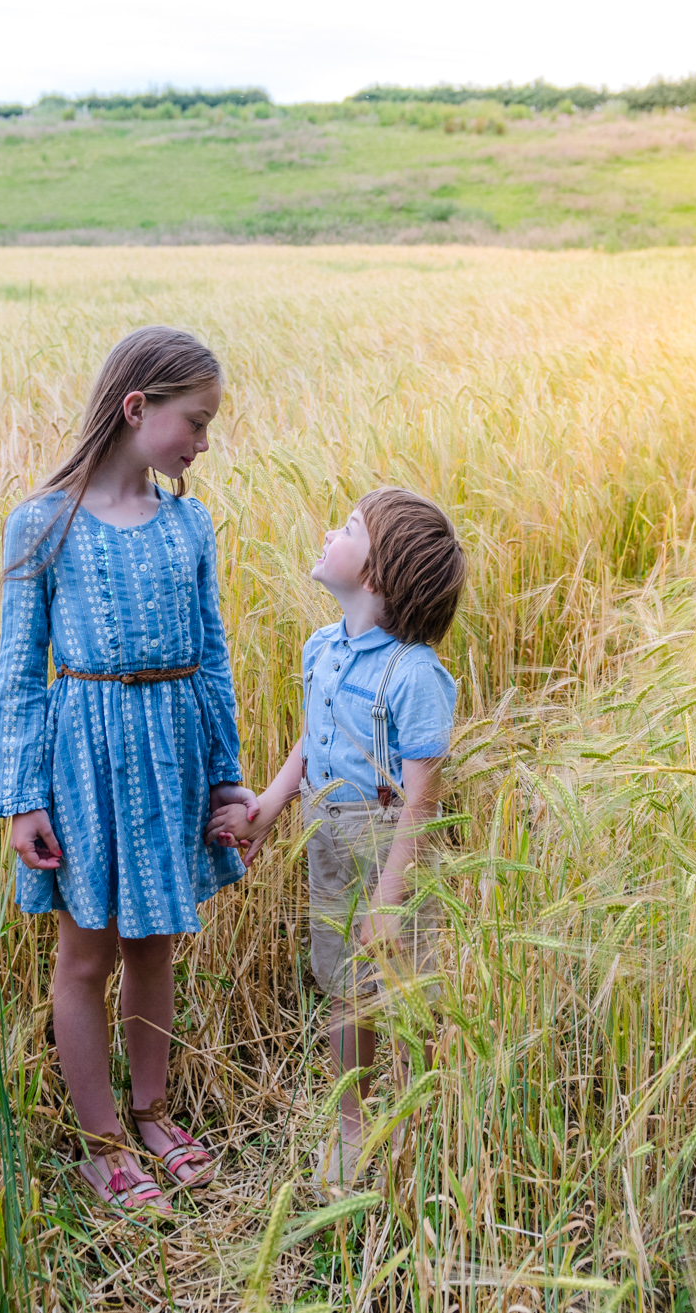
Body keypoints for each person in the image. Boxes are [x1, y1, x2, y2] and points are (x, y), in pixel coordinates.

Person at [0, 326, 255, 1217]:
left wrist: (226, 774)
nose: (204, 443)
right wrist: (22, 795)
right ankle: (102, 1141)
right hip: (85, 758)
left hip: (172, 751)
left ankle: (153, 1111)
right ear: (138, 408)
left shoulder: (189, 523)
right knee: (85, 951)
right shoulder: (43, 522)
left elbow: (213, 657)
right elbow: (20, 672)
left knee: (154, 942)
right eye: (197, 420)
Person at [219, 486, 466, 1188]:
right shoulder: (322, 648)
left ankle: (429, 1119)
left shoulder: (415, 675)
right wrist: (269, 804)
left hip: (389, 847)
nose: (331, 529)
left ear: (379, 573)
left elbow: (423, 797)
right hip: (326, 840)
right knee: (344, 989)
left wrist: (390, 898)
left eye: (350, 526)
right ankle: (353, 1125)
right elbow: (318, 736)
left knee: (405, 989)